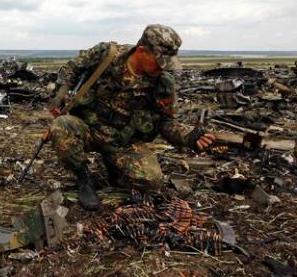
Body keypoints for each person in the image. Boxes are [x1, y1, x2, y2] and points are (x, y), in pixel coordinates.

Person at [49, 24, 215, 211]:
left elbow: (166, 122)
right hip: (90, 130)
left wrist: (188, 137)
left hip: (123, 142)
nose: (163, 68)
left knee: (152, 181)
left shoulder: (163, 83)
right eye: (160, 62)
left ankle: (114, 166)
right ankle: (84, 179)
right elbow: (71, 69)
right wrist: (60, 95)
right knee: (61, 125)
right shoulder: (106, 55)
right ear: (141, 51)